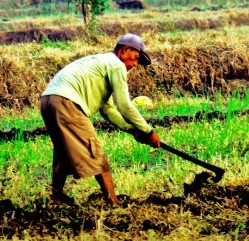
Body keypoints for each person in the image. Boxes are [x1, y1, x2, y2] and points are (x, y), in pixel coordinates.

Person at [40, 33, 161, 206]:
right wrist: (147, 131)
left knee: (62, 151)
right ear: (125, 50)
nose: (134, 65)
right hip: (68, 102)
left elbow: (108, 109)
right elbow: (124, 105)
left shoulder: (101, 62)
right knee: (95, 152)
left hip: (48, 100)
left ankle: (56, 197)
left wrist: (132, 130)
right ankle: (113, 202)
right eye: (135, 59)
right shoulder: (117, 65)